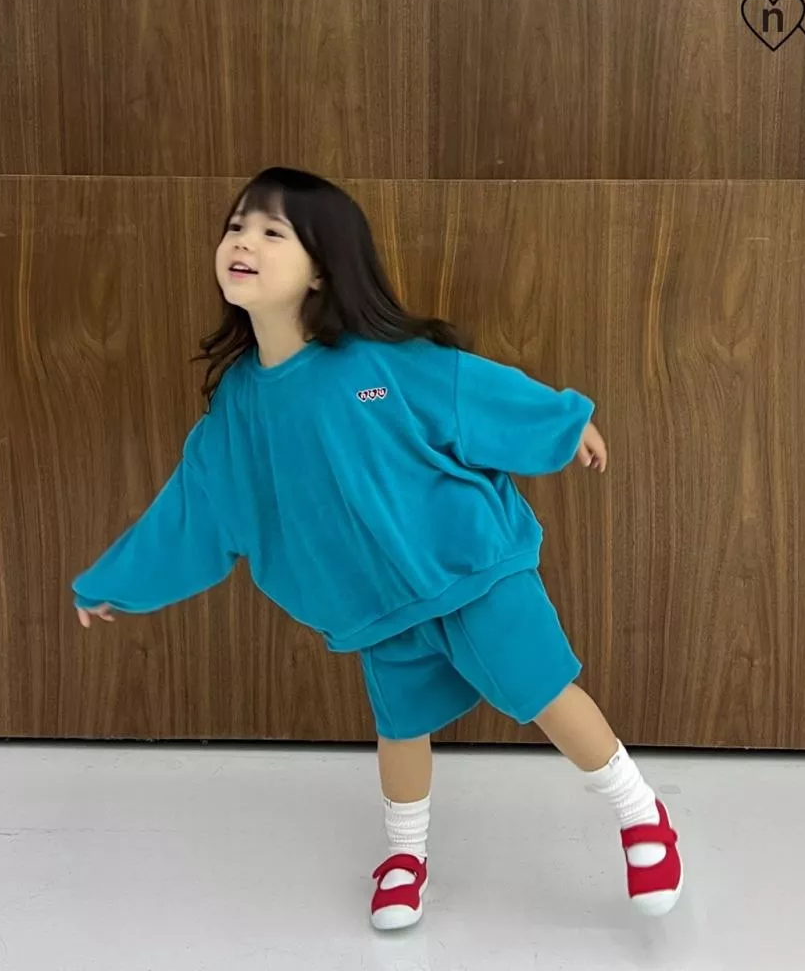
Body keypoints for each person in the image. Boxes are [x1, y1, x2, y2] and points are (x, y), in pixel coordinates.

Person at [71, 166, 683, 931]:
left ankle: (640, 812)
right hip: (378, 606)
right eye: (235, 227)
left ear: (321, 268)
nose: (243, 242)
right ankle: (405, 855)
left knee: (545, 696)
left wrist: (561, 424)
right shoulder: (239, 404)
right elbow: (195, 508)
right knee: (400, 729)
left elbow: (469, 389)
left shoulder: (381, 363)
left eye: (271, 231)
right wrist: (118, 581)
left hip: (471, 571)